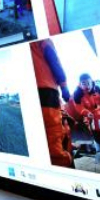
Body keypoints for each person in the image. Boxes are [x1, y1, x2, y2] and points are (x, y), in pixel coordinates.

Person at [31, 40, 73, 168]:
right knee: (53, 135)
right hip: (46, 92)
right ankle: (65, 166)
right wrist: (64, 86)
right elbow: (53, 58)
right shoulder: (42, 41)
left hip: (42, 92)